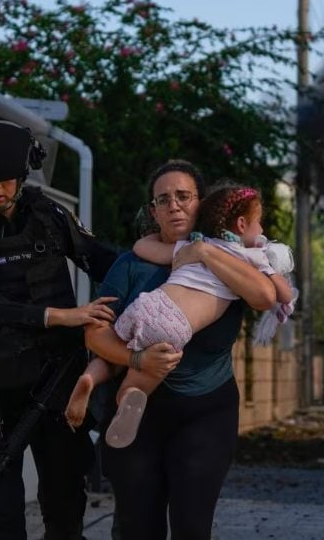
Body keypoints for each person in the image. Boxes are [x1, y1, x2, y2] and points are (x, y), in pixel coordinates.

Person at [0, 121, 118, 540]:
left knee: (65, 502)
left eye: (3, 180)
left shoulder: (51, 217)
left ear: (21, 176)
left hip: (57, 379)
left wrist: (159, 270)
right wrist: (59, 316)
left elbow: (101, 260)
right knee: (5, 513)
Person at [85, 160, 277, 539]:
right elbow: (94, 333)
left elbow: (264, 297)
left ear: (201, 203)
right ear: (153, 211)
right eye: (163, 199)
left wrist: (204, 253)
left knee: (192, 527)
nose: (174, 205)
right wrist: (137, 358)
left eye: (183, 196)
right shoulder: (130, 265)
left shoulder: (230, 258)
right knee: (139, 529)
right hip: (138, 414)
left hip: (207, 412)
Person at [63, 184, 296, 448]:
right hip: (175, 326)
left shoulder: (195, 243)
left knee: (113, 350)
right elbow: (282, 295)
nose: (262, 231)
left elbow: (143, 247)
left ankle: (89, 378)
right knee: (141, 378)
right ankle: (129, 396)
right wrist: (275, 272)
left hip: (149, 303)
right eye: (259, 224)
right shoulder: (251, 258)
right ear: (242, 224)